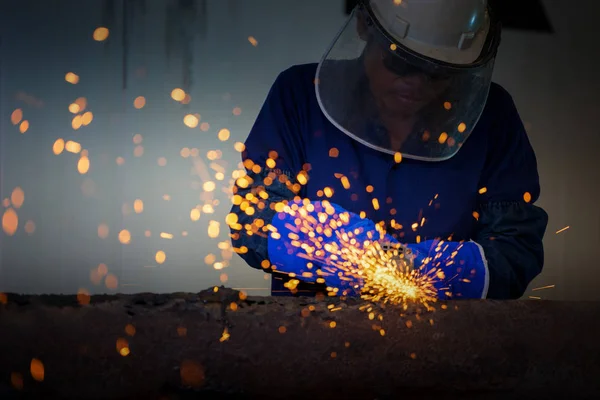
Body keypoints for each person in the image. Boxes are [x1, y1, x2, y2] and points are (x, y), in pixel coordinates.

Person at [229, 0, 548, 300]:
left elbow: (516, 248)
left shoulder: (493, 115)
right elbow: (252, 220)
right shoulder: (299, 94)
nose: (417, 83)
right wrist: (355, 255)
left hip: (443, 342)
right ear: (366, 26)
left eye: (439, 72)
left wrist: (423, 272)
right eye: (400, 62)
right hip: (311, 338)